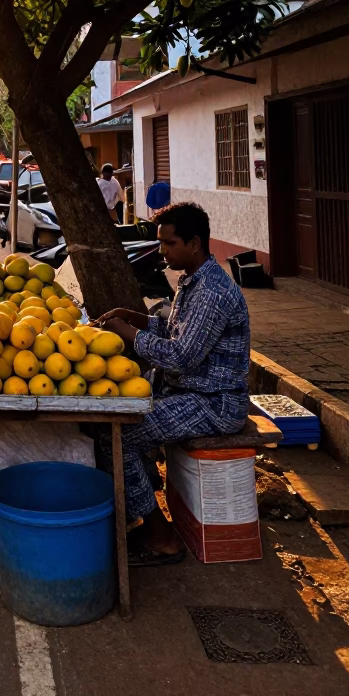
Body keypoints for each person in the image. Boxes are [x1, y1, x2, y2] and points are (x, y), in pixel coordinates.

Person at [95, 202, 250, 566]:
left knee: (116, 437)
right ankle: (143, 510)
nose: (162, 250)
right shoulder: (193, 280)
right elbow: (177, 333)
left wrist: (130, 335)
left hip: (214, 403)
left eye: (169, 243)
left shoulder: (213, 292)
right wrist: (138, 319)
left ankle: (160, 537)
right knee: (116, 419)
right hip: (189, 392)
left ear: (194, 243)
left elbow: (181, 356)